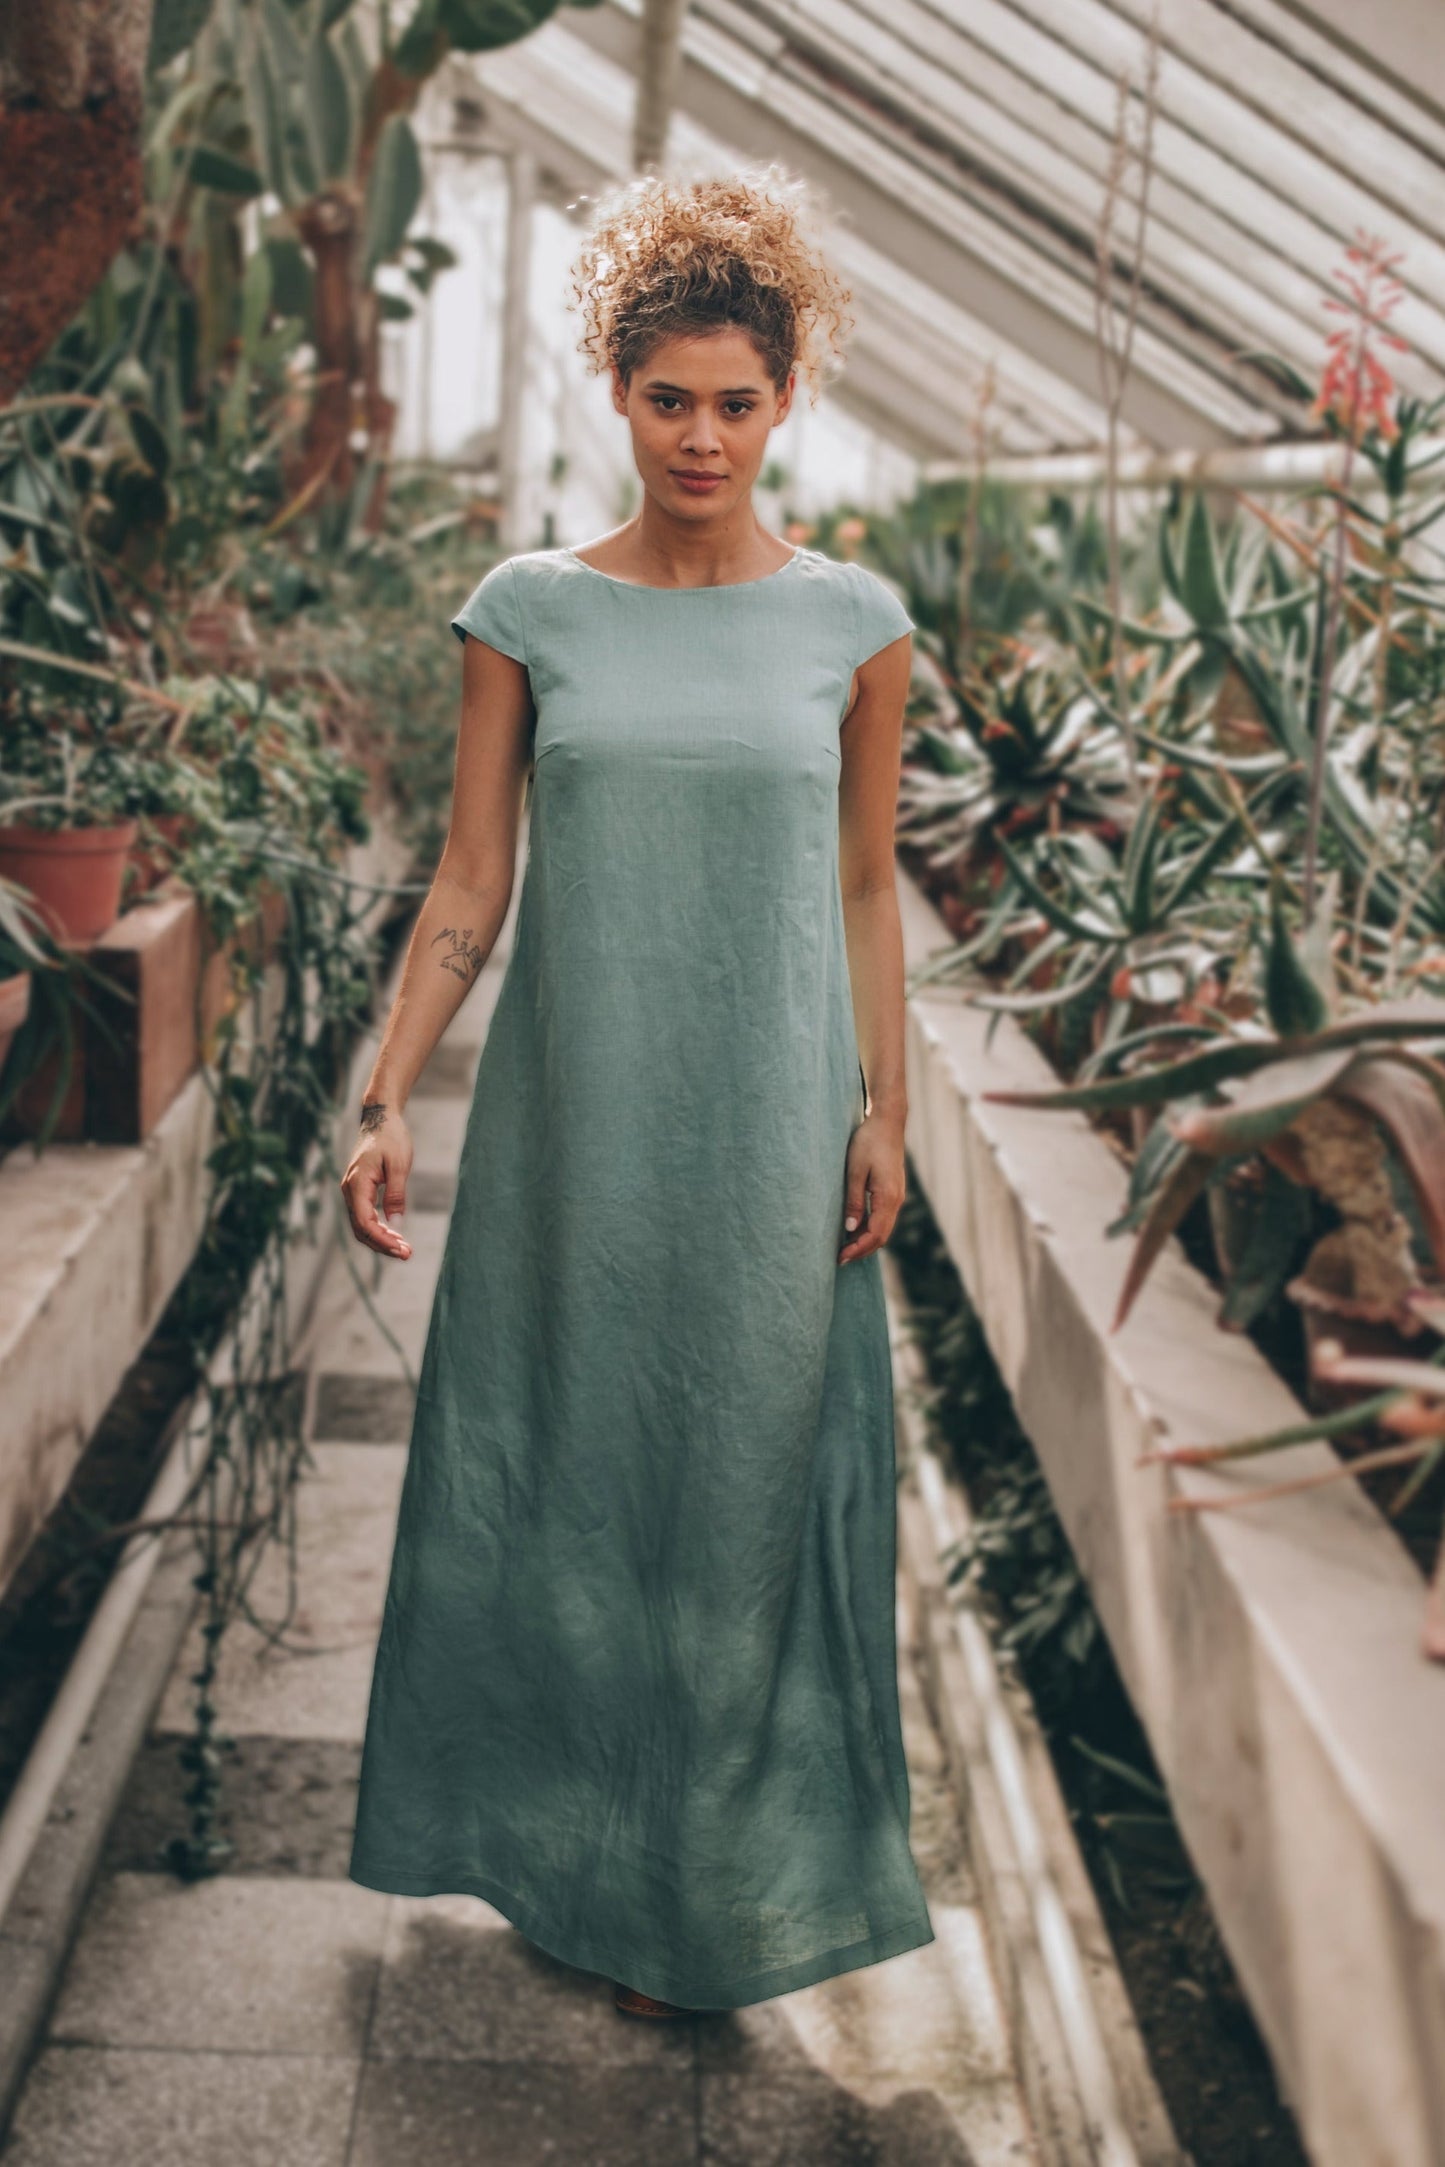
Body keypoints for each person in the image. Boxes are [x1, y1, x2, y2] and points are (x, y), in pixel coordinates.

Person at [343, 163, 935, 2019]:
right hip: (569, 1138)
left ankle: (726, 1889)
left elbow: (861, 884)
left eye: (736, 403)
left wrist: (882, 1109)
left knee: (749, 1486)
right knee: (562, 1476)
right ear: (615, 388)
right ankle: (555, 1857)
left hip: (772, 1129)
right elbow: (466, 882)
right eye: (666, 396)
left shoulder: (855, 622)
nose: (701, 435)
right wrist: (382, 1098)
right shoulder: (530, 608)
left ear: (787, 402)